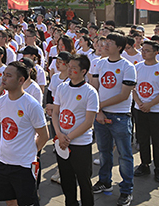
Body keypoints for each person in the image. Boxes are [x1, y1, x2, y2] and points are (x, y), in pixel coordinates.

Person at [0, 61, 48, 206]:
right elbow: (4, 130)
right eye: (4, 75)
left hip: (23, 166)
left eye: (9, 76)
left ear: (21, 80)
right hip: (2, 162)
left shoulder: (31, 105)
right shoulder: (2, 101)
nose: (3, 78)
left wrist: (30, 152)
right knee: (10, 200)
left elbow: (44, 135)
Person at [91, 33, 136, 206]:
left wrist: (99, 106)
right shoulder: (99, 64)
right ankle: (104, 181)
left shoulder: (127, 66)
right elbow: (94, 88)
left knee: (125, 155)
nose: (105, 45)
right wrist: (98, 110)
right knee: (104, 151)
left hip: (120, 116)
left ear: (119, 47)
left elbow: (124, 95)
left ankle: (126, 190)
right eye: (105, 42)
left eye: (110, 43)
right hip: (101, 115)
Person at [53, 55, 99, 206]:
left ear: (83, 71)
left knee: (84, 180)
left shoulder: (90, 92)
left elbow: (88, 121)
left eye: (74, 68)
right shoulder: (61, 87)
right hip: (62, 142)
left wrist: (69, 137)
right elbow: (55, 113)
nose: (70, 70)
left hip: (80, 143)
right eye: (69, 66)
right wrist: (60, 135)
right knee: (66, 179)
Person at [132, 40, 159, 183]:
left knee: (157, 139)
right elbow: (133, 88)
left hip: (157, 110)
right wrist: (140, 103)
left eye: (147, 50)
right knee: (142, 138)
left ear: (156, 52)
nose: (143, 52)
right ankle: (144, 164)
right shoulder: (137, 67)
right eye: (142, 50)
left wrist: (150, 104)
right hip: (140, 109)